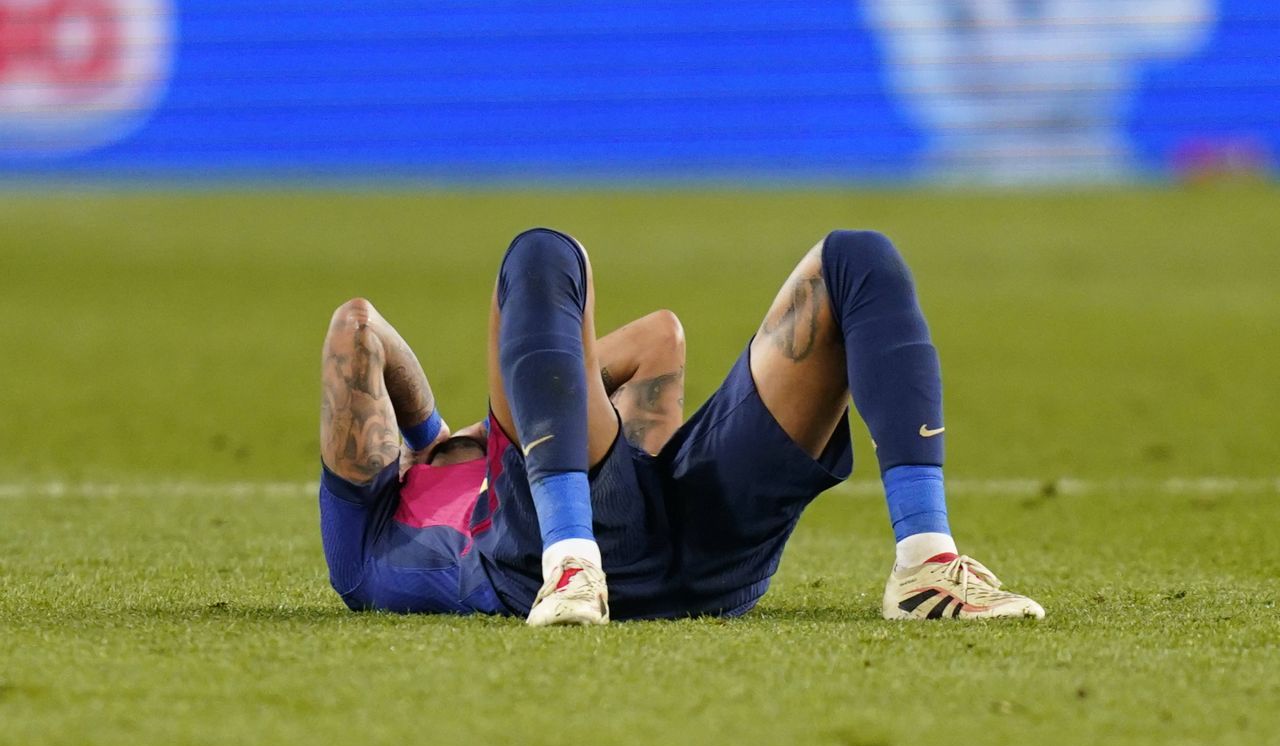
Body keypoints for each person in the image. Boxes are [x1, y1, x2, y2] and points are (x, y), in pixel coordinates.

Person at [318, 228, 1045, 625]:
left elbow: (658, 338)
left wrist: (446, 434)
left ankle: (926, 562)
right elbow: (356, 328)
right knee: (540, 254)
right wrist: (445, 436)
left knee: (857, 258)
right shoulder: (362, 545)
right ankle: (570, 563)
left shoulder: (449, 465)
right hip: (535, 556)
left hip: (686, 536)